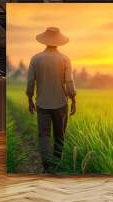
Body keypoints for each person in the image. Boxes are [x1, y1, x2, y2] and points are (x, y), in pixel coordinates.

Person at [26, 27, 76, 172]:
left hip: (42, 103)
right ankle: (56, 164)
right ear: (59, 41)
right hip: (61, 103)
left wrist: (30, 98)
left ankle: (46, 166)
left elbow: (30, 82)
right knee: (60, 136)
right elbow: (69, 82)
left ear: (45, 40)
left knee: (44, 136)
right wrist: (73, 99)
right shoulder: (65, 59)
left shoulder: (35, 59)